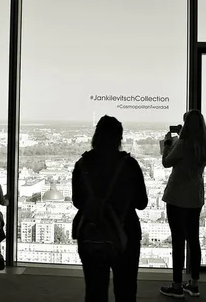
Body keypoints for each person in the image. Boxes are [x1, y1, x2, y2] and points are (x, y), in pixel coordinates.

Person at [72, 115, 148, 302]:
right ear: (119, 139)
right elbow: (142, 203)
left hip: (91, 233)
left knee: (95, 292)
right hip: (125, 233)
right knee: (126, 291)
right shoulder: (130, 165)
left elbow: (77, 201)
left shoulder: (82, 165)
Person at [159, 110, 206, 299]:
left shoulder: (182, 144)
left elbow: (167, 162)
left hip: (177, 197)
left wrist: (168, 144)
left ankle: (176, 286)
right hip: (195, 198)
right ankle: (194, 284)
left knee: (177, 240)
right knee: (193, 240)